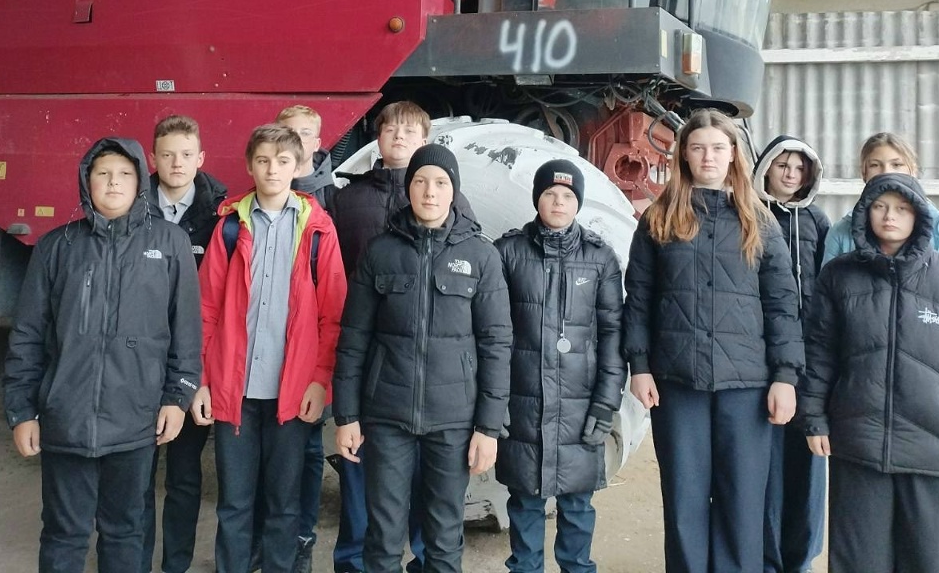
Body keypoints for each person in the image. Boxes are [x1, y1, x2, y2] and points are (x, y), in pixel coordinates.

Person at [3, 137, 202, 573]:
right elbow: (28, 335)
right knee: (64, 532)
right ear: (86, 181)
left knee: (125, 530)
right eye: (103, 174)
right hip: (66, 418)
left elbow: (186, 332)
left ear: (140, 182)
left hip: (135, 419)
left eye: (125, 174)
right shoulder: (57, 246)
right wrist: (22, 411)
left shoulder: (170, 243)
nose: (114, 183)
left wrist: (177, 397)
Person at [622, 109, 803, 573]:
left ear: (734, 155)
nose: (708, 157)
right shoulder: (659, 219)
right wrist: (639, 365)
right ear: (683, 154)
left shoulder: (759, 222)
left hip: (747, 386)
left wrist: (785, 377)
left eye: (718, 148)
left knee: (742, 500)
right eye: (698, 147)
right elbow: (638, 298)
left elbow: (782, 306)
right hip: (677, 381)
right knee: (684, 498)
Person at [801, 173, 939, 573]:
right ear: (864, 213)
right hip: (859, 447)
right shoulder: (838, 277)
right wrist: (814, 418)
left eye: (901, 208)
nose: (889, 217)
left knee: (931, 562)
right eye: (879, 207)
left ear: (920, 216)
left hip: (936, 451)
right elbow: (820, 354)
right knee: (858, 562)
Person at [333, 143, 512, 573]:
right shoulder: (379, 252)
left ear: (454, 191)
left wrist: (488, 427)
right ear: (408, 188)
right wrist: (347, 416)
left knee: (444, 536)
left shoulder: (481, 256)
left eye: (441, 183)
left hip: (453, 421)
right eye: (420, 181)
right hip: (386, 416)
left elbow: (496, 344)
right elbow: (353, 338)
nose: (430, 192)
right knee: (383, 534)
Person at [192, 124, 347, 573]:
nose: (272, 170)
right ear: (249, 166)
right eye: (263, 160)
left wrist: (320, 381)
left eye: (282, 161)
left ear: (298, 166)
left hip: (292, 394)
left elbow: (333, 316)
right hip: (234, 391)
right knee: (234, 503)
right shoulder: (229, 226)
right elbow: (205, 310)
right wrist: (202, 381)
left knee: (284, 504)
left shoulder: (318, 230)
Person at [494, 159, 624, 573]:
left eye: (568, 195)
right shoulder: (507, 252)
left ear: (578, 202)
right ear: (537, 198)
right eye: (550, 193)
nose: (559, 202)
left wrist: (606, 403)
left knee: (578, 504)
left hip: (579, 404)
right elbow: (490, 334)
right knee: (525, 502)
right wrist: (493, 404)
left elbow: (613, 337)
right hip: (522, 403)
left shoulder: (600, 259)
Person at [142, 114, 229, 573]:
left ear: (201, 159)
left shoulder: (222, 217)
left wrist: (203, 377)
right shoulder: (132, 208)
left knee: (183, 474)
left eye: (186, 154)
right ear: (152, 159)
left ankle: (175, 563)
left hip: (191, 366)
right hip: (136, 365)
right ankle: (133, 561)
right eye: (167, 154)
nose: (177, 163)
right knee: (135, 476)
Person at [753, 136, 832, 573]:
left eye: (798, 168)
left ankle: (799, 558)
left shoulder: (818, 221)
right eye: (782, 165)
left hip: (808, 360)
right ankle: (766, 557)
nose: (789, 173)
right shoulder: (749, 215)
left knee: (807, 461)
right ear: (766, 167)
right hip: (759, 356)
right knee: (765, 464)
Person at [822, 132, 939, 265]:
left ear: (913, 170)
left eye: (896, 165)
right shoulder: (842, 232)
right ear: (864, 173)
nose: (886, 172)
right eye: (875, 165)